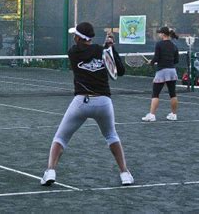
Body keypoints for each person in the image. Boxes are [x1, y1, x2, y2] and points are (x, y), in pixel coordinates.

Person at [41, 22, 134, 187]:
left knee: (60, 138)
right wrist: (111, 47)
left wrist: (108, 48)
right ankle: (125, 173)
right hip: (104, 102)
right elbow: (120, 71)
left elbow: (92, 53)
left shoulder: (73, 52)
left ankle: (50, 171)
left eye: (74, 35)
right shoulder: (101, 50)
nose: (73, 37)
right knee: (112, 136)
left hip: (81, 103)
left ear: (79, 38)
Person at [142, 26, 180, 122]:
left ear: (163, 34)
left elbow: (156, 58)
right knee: (173, 94)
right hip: (172, 71)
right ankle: (174, 115)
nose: (158, 34)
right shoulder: (174, 46)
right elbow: (176, 60)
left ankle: (152, 115)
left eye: (159, 33)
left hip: (162, 71)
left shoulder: (159, 44)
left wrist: (151, 62)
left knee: (155, 94)